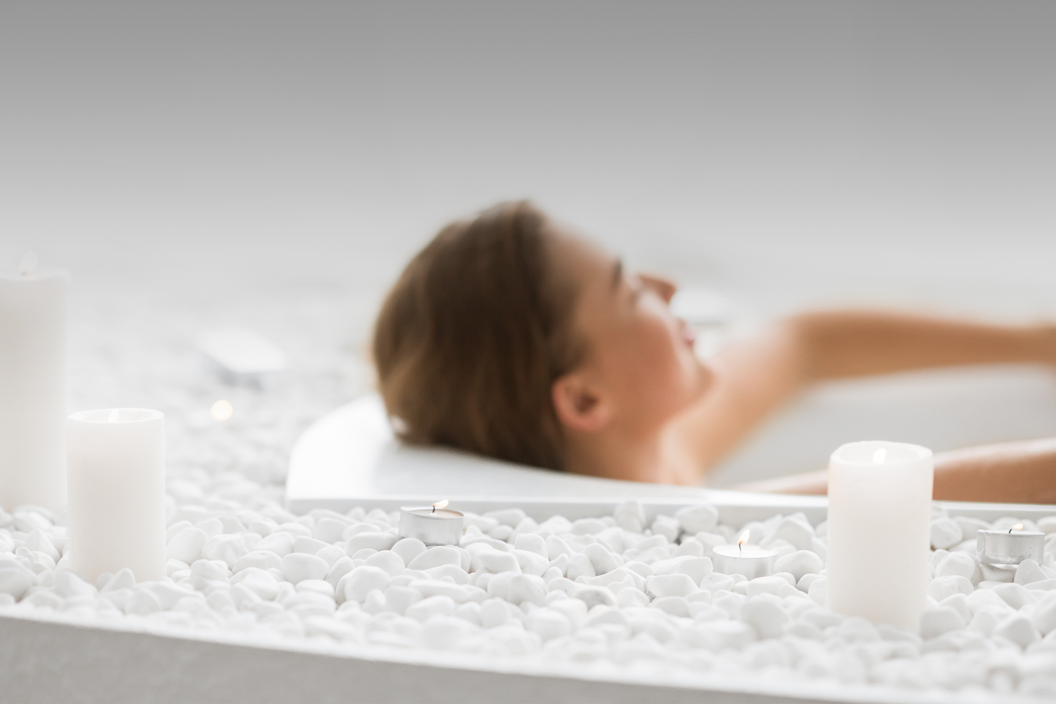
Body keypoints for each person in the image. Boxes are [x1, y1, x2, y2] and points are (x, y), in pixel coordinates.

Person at [372, 201, 1056, 504]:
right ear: (585, 399)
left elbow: (805, 341)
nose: (665, 283)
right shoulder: (685, 521)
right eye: (628, 289)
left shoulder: (661, 454)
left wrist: (1035, 339)